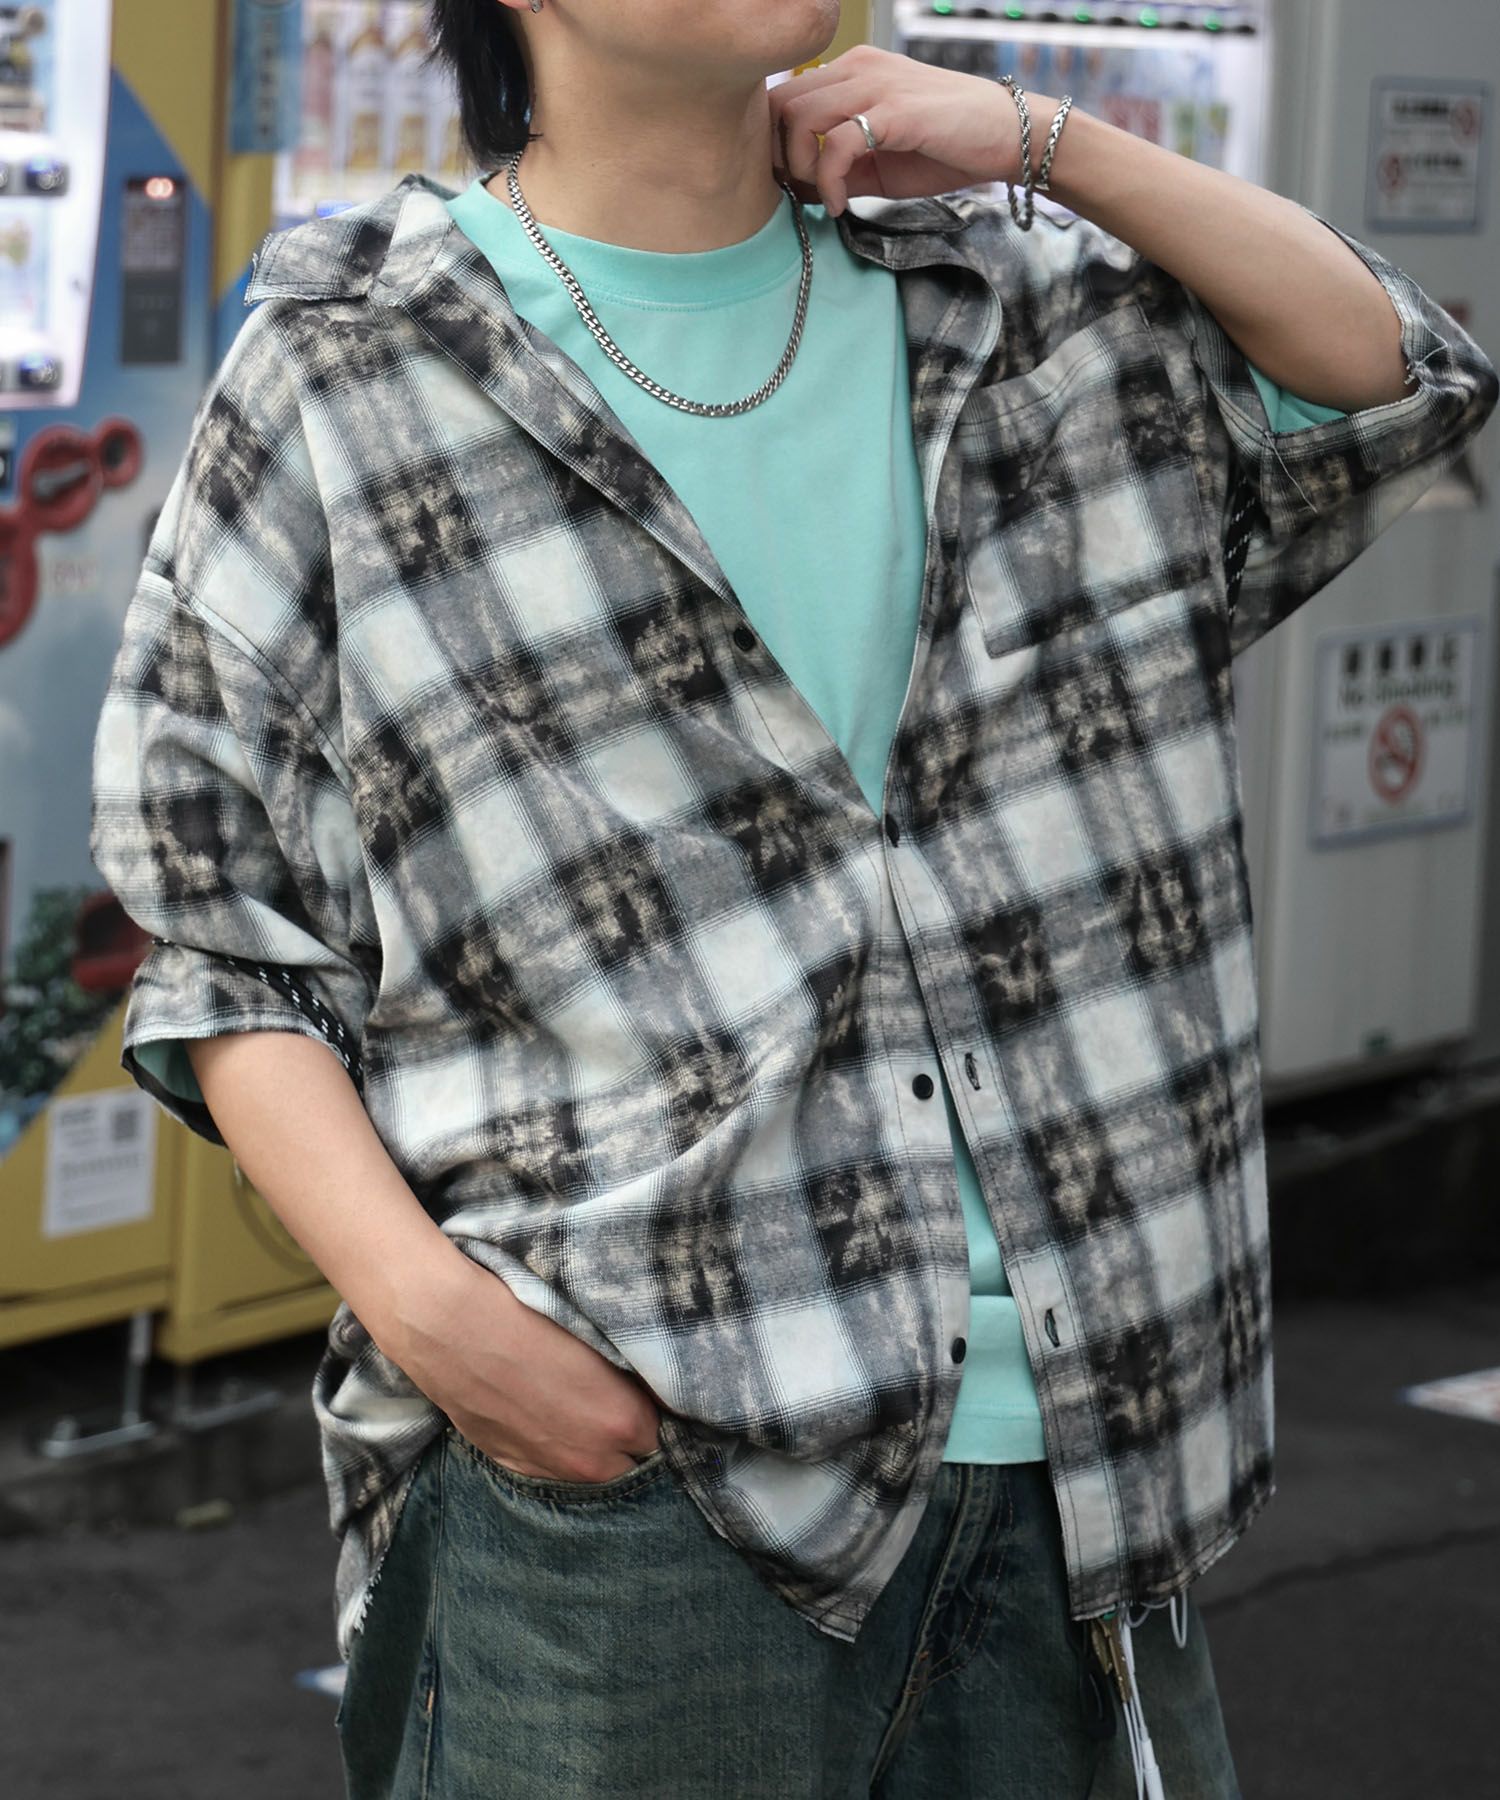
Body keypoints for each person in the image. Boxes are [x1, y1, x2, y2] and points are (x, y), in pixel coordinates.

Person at [87, 3, 1497, 1796]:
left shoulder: (1013, 303)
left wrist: (1043, 141)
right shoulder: (349, 361)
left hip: (1092, 1456)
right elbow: (223, 934)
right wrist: (439, 1322)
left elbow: (1394, 382)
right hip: (641, 1477)